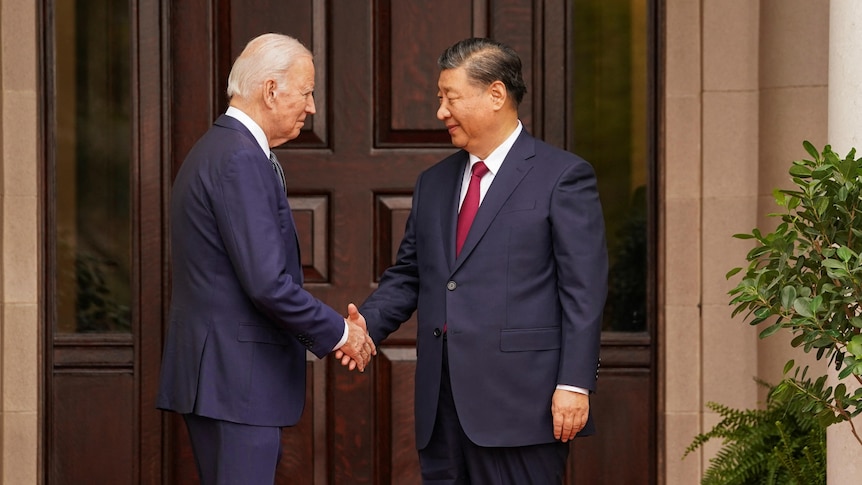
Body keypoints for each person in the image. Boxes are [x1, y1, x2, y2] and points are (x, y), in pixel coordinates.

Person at [354, 37, 608, 484]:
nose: (441, 112)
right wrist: (363, 327)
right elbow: (411, 274)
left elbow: (583, 290)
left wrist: (574, 383)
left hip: (522, 406)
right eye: (439, 99)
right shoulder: (432, 183)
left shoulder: (562, 177)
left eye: (450, 98)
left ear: (495, 95)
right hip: (442, 406)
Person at [156, 33, 375, 485]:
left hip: (219, 379)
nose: (312, 107)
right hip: (235, 382)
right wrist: (340, 333)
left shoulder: (218, 148)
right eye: (307, 91)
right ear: (271, 90)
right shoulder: (240, 158)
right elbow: (267, 284)